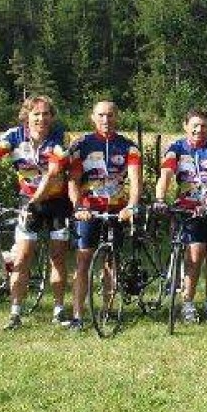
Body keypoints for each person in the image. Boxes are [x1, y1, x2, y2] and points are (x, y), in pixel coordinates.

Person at [0, 95, 71, 330]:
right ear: (26, 116)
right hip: (28, 200)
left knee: (57, 257)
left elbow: (53, 174)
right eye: (36, 114)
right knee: (23, 256)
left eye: (46, 114)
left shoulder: (60, 137)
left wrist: (35, 200)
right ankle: (15, 313)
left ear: (52, 117)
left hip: (57, 202)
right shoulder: (14, 136)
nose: (41, 119)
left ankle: (58, 310)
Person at [66, 101, 142, 331]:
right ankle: (78, 315)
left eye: (110, 115)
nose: (106, 120)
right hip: (89, 209)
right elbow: (73, 180)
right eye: (101, 116)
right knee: (83, 261)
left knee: (111, 262)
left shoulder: (129, 147)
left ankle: (107, 311)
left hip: (117, 211)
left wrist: (131, 206)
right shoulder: (82, 144)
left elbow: (136, 181)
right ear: (93, 117)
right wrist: (78, 206)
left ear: (117, 117)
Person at [154, 110, 207, 323]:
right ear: (185, 126)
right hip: (188, 209)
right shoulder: (175, 149)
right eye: (195, 125)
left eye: (204, 126)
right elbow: (166, 175)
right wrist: (160, 198)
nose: (199, 130)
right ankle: (187, 303)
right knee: (194, 256)